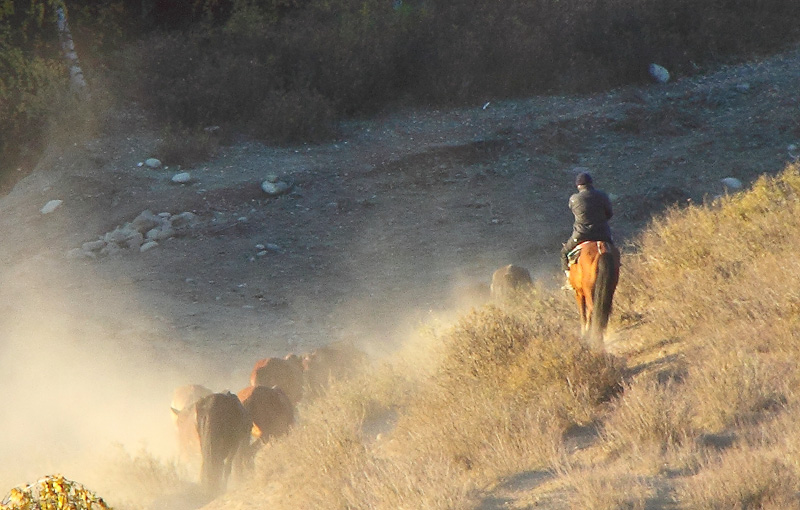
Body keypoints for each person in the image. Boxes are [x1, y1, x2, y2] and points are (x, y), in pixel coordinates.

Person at [561, 171, 614, 285]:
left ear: (578, 186)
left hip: (581, 234)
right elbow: (609, 214)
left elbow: (574, 211)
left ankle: (569, 281)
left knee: (564, 253)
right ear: (591, 184)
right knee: (612, 251)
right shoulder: (603, 195)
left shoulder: (574, 199)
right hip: (603, 233)